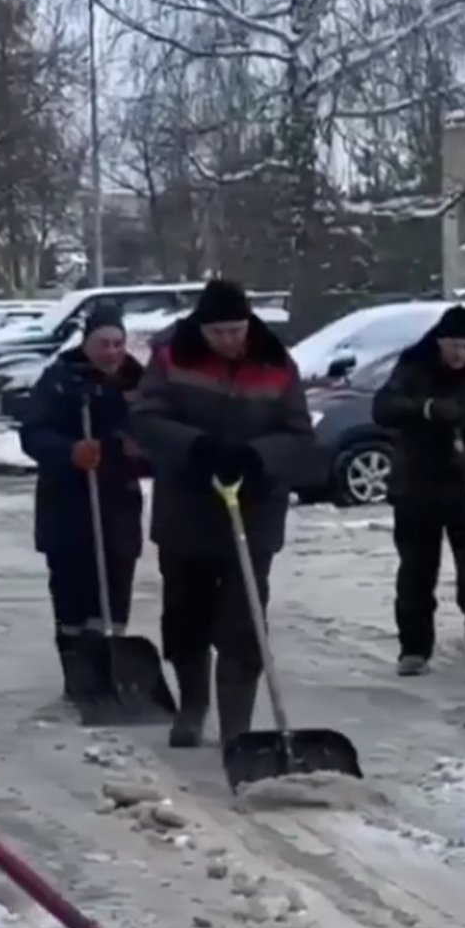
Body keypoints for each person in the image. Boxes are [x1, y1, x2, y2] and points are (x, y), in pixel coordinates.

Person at [128, 279, 317, 751]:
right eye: (220, 333)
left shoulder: (275, 362)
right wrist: (197, 448)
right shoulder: (173, 356)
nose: (231, 340)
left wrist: (257, 457)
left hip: (255, 508)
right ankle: (193, 707)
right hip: (187, 505)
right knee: (186, 616)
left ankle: (238, 728)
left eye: (237, 330)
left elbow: (299, 432)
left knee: (244, 618)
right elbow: (146, 418)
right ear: (201, 328)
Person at [370, 305, 465, 676]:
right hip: (417, 483)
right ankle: (414, 648)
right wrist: (427, 409)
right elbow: (382, 408)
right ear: (440, 341)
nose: (460, 354)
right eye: (453, 346)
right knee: (416, 570)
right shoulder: (414, 365)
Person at [18, 303, 146, 697]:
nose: (111, 351)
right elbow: (33, 434)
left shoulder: (137, 384)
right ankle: (79, 675)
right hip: (68, 507)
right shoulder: (60, 381)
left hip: (119, 505)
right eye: (103, 343)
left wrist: (143, 452)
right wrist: (69, 450)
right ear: (86, 343)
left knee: (115, 588)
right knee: (74, 592)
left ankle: (114, 671)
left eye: (118, 343)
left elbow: (158, 433)